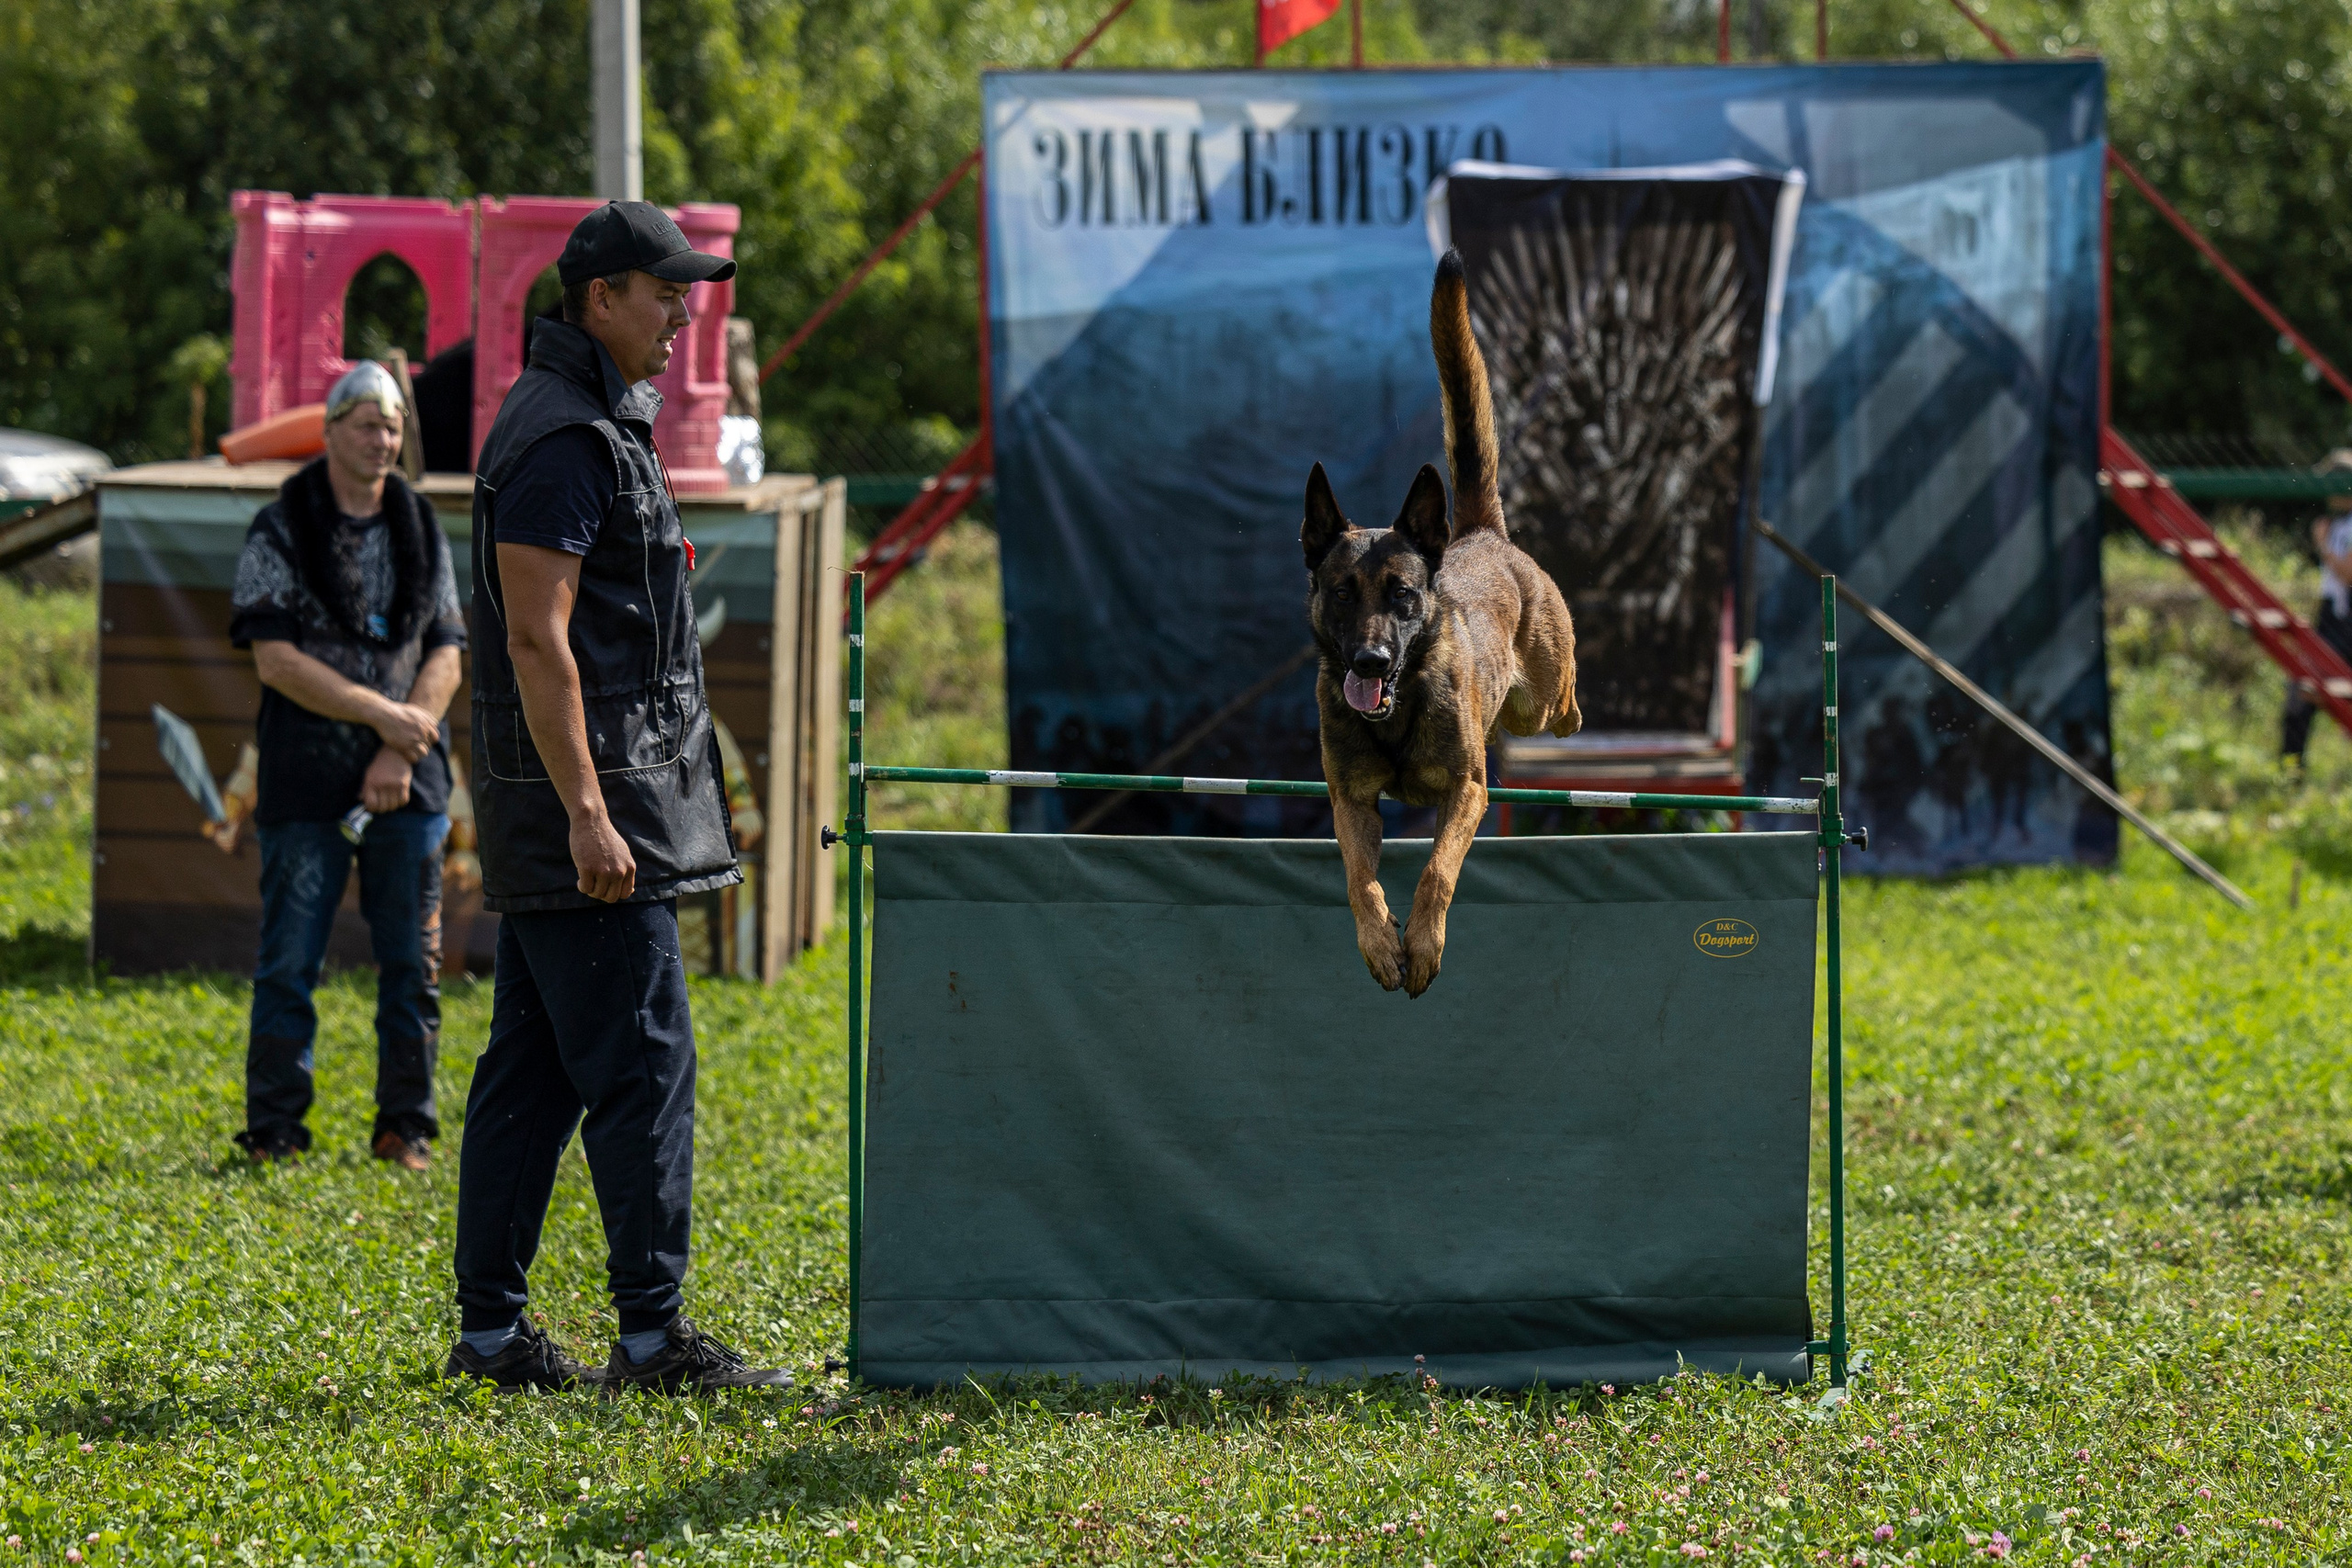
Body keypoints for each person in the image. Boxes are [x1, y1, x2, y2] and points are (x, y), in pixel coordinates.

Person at [445, 200, 792, 1394]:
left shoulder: (589, 416)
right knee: (644, 1063)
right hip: (589, 817)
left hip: (585, 805)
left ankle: (490, 1335)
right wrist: (590, 813)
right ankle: (653, 1340)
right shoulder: (561, 436)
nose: (685, 314)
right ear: (600, 297)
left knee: (533, 1073)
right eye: (665, 291)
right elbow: (535, 641)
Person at [227, 362, 466, 1170]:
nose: (382, 439)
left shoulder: (422, 525)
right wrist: (383, 716)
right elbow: (275, 661)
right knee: (290, 962)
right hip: (306, 775)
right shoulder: (279, 527)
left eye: (392, 426)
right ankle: (276, 1130)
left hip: (410, 778)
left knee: (413, 965)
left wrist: (402, 744)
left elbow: (447, 648)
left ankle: (407, 1126)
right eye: (367, 424)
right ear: (329, 431)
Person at [2283, 450, 2352, 765]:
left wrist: (2322, 543)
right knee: (2302, 690)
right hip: (2331, 615)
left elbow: (2348, 574)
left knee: (2306, 688)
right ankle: (2291, 770)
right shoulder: (2336, 523)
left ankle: (2292, 770)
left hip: (2345, 619)